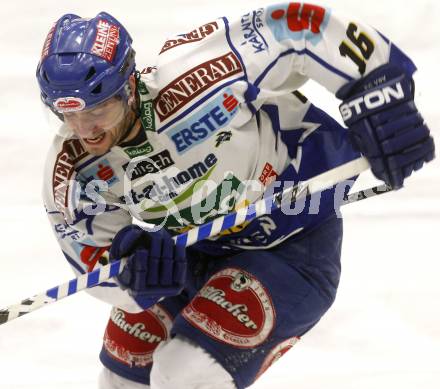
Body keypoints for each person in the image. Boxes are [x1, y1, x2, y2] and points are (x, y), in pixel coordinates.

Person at [36, 3, 434, 389]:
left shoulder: (195, 77)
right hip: (191, 255)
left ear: (128, 87)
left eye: (97, 110)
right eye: (66, 113)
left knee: (184, 375)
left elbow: (298, 27)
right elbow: (92, 267)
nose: (84, 130)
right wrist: (132, 270)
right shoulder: (72, 172)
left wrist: (377, 89)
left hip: (289, 247)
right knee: (122, 377)